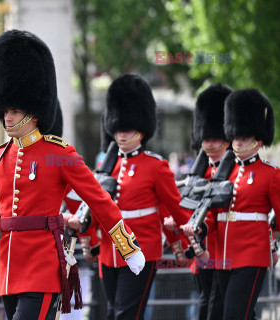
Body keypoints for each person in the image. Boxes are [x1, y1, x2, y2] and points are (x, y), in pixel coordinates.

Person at [0, 30, 145, 320]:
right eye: (5, 109)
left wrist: (127, 246)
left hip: (42, 266)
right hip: (9, 268)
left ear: (33, 111)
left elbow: (98, 200)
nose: (7, 117)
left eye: (15, 109)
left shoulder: (60, 154)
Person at [68, 73, 191, 320]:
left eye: (128, 129)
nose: (122, 134)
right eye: (119, 129)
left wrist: (184, 245)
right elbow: (91, 209)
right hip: (108, 250)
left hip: (141, 247)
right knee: (113, 313)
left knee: (126, 315)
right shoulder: (105, 166)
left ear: (141, 128)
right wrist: (86, 235)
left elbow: (175, 208)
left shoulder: (157, 166)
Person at [183, 88, 280, 320]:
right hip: (222, 255)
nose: (238, 142)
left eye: (244, 137)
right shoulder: (223, 172)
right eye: (236, 137)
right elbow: (212, 210)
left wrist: (274, 244)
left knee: (234, 314)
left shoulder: (271, 175)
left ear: (258, 140)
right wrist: (201, 226)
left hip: (251, 254)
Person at [167, 84, 232, 320]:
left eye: (216, 139)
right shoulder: (199, 174)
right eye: (206, 139)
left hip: (226, 255)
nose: (210, 145)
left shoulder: (235, 172)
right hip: (202, 256)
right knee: (206, 307)